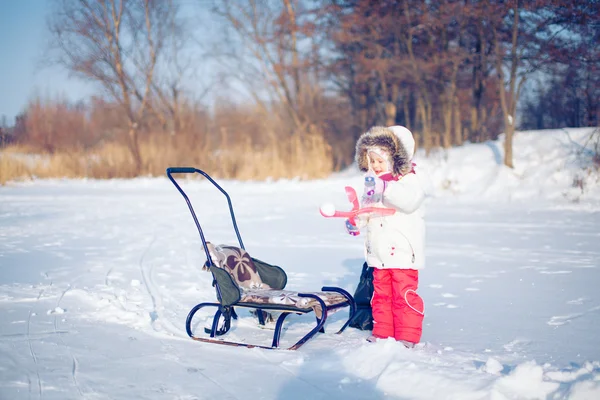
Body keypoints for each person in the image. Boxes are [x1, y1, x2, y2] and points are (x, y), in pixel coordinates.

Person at [346, 125, 426, 347]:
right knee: (380, 296)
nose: (375, 166)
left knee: (403, 294)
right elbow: (367, 209)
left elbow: (409, 201)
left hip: (402, 251)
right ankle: (383, 333)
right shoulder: (374, 184)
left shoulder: (409, 180)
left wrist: (385, 188)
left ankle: (407, 335)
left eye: (380, 160)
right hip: (379, 254)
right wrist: (356, 222)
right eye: (371, 161)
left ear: (396, 158)